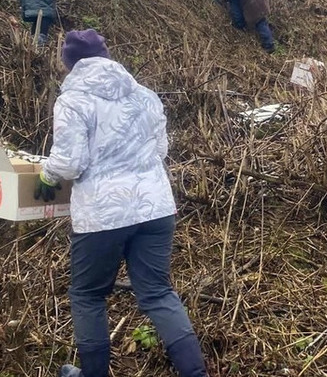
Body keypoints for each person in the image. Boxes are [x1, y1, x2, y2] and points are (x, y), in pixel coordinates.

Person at [35, 29, 207, 377]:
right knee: (158, 292)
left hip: (103, 216)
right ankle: (195, 373)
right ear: (107, 57)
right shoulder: (144, 94)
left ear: (70, 64)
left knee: (88, 294)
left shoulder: (73, 100)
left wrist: (47, 176)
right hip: (156, 208)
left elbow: (69, 163)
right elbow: (160, 151)